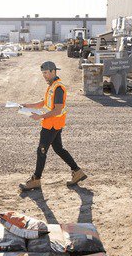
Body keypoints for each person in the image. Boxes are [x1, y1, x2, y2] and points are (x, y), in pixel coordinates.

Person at [19, 61, 86, 191]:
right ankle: (77, 172)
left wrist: (40, 116)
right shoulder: (52, 85)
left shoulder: (58, 88)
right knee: (58, 149)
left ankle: (36, 179)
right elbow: (45, 102)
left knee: (41, 151)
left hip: (52, 125)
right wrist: (28, 105)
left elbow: (57, 110)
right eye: (42, 73)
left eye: (45, 73)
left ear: (53, 71)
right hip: (53, 123)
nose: (44, 75)